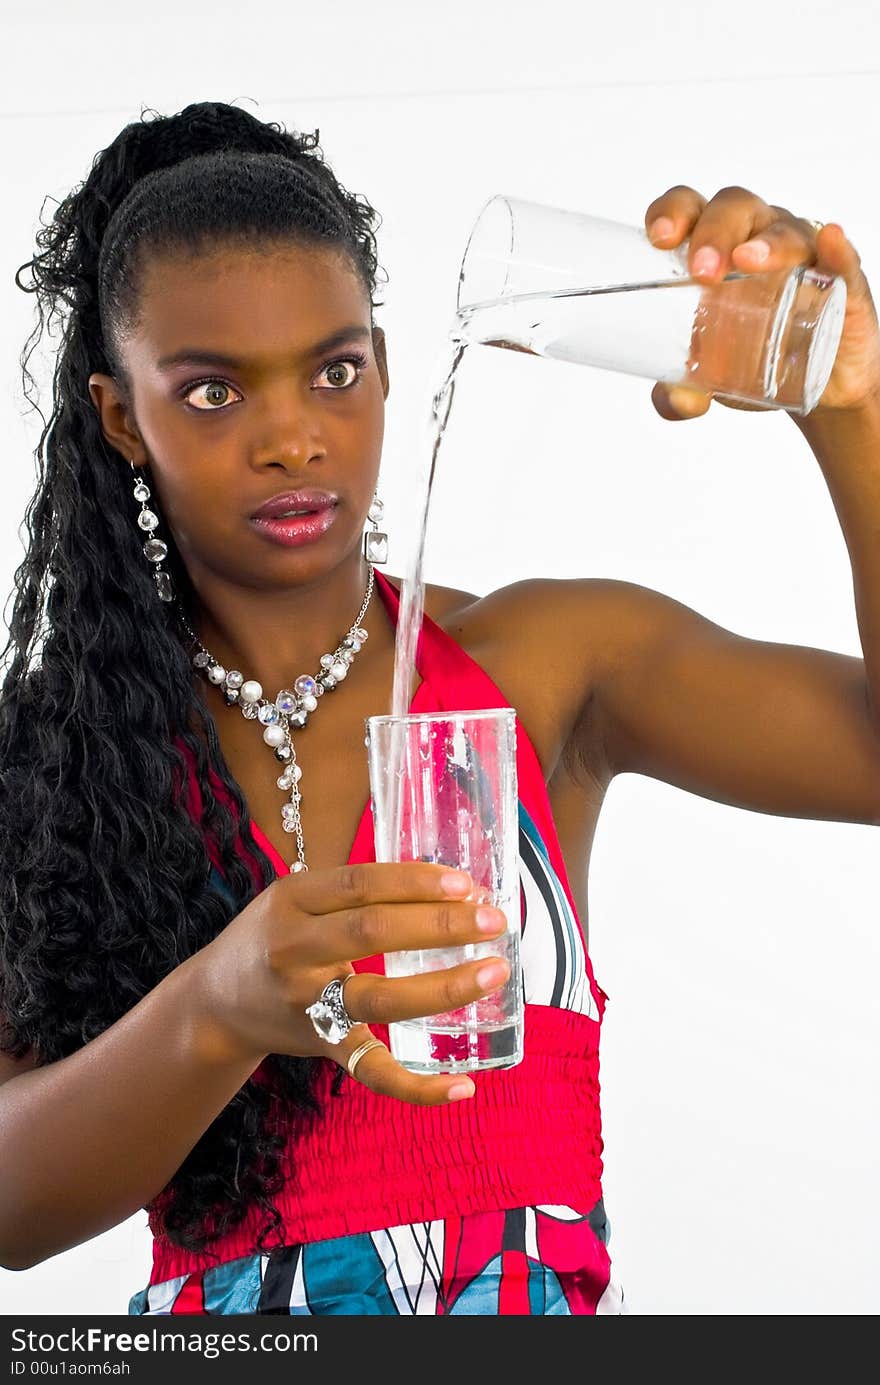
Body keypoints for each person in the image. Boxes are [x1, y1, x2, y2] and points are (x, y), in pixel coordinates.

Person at [0, 100, 878, 1318]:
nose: (293, 436)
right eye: (212, 394)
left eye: (335, 369)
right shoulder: (59, 757)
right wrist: (219, 1003)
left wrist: (850, 414)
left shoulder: (547, 663)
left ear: (386, 367)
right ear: (119, 418)